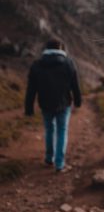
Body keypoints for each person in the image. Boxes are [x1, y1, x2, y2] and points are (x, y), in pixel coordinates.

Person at [25, 39, 81, 172]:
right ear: (61, 49)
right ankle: (59, 164)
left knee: (49, 130)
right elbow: (75, 85)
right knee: (62, 131)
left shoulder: (37, 64)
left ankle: (49, 158)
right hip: (64, 103)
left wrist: (29, 108)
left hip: (45, 103)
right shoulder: (68, 63)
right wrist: (78, 101)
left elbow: (31, 89)